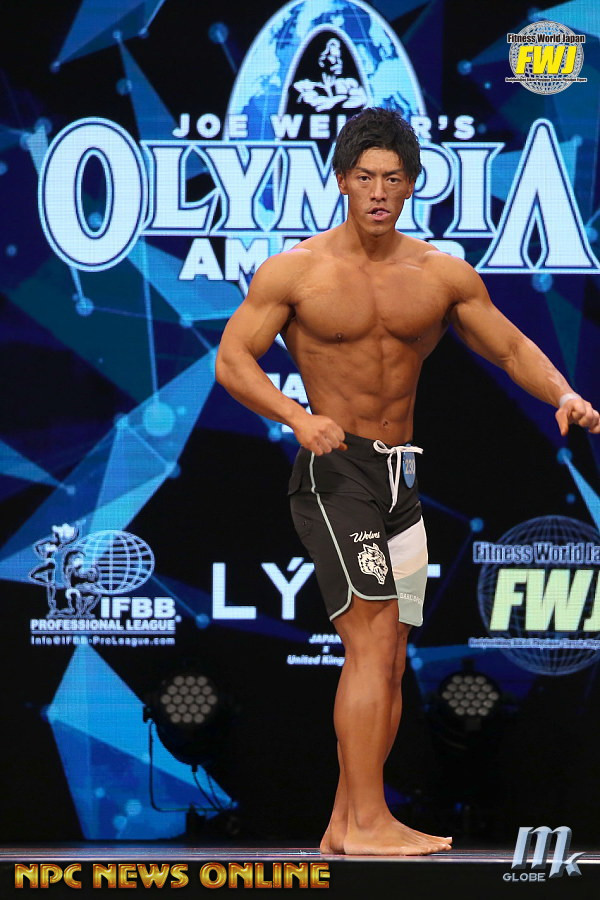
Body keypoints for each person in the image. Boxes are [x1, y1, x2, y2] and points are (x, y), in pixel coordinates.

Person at [215, 108, 599, 856]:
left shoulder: (440, 275)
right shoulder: (296, 272)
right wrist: (297, 418)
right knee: (370, 638)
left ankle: (346, 821)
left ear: (413, 184)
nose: (379, 192)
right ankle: (367, 822)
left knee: (391, 651)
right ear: (342, 181)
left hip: (402, 478)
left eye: (393, 179)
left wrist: (562, 392)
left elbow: (510, 347)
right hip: (337, 470)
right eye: (366, 178)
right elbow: (233, 361)